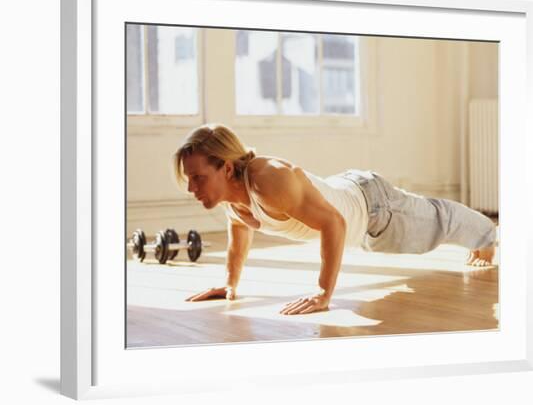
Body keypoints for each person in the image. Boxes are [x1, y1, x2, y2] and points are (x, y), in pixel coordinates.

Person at [173, 124, 497, 316]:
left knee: (438, 225)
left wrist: (322, 294)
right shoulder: (232, 195)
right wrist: (231, 283)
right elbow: (239, 231)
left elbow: (333, 224)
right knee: (425, 227)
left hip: (374, 210)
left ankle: (488, 235)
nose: (191, 187)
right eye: (189, 179)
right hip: (354, 203)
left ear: (226, 168)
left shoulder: (267, 179)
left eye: (198, 178)